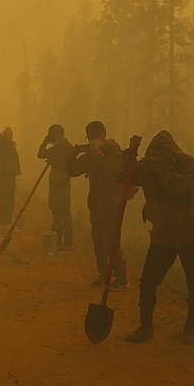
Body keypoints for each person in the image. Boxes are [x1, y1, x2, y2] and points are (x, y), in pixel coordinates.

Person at [124, 130, 194, 344]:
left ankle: (190, 330)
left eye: (161, 159)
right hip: (163, 233)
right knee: (148, 282)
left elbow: (188, 189)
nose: (156, 163)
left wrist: (164, 172)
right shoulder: (147, 166)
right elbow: (124, 176)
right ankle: (146, 327)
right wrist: (129, 155)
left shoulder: (191, 165)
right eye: (154, 159)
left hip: (190, 232)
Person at [67, 121, 128, 289]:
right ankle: (103, 273)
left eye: (95, 138)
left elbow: (115, 171)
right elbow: (72, 171)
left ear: (103, 136)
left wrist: (100, 156)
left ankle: (120, 276)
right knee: (98, 241)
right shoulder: (90, 155)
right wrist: (72, 155)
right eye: (90, 139)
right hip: (96, 203)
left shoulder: (114, 151)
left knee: (111, 241)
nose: (92, 141)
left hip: (111, 203)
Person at [38, 124, 74, 250]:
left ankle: (67, 242)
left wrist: (54, 156)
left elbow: (68, 163)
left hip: (63, 182)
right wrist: (45, 142)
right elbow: (41, 154)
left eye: (56, 134)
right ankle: (56, 238)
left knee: (64, 210)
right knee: (54, 208)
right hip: (53, 181)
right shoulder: (54, 148)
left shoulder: (69, 148)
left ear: (61, 134)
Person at [0, 127, 20, 224]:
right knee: (2, 194)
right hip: (3, 173)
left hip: (8, 174)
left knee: (8, 195)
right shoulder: (2, 143)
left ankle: (7, 218)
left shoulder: (7, 143)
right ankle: (2, 216)